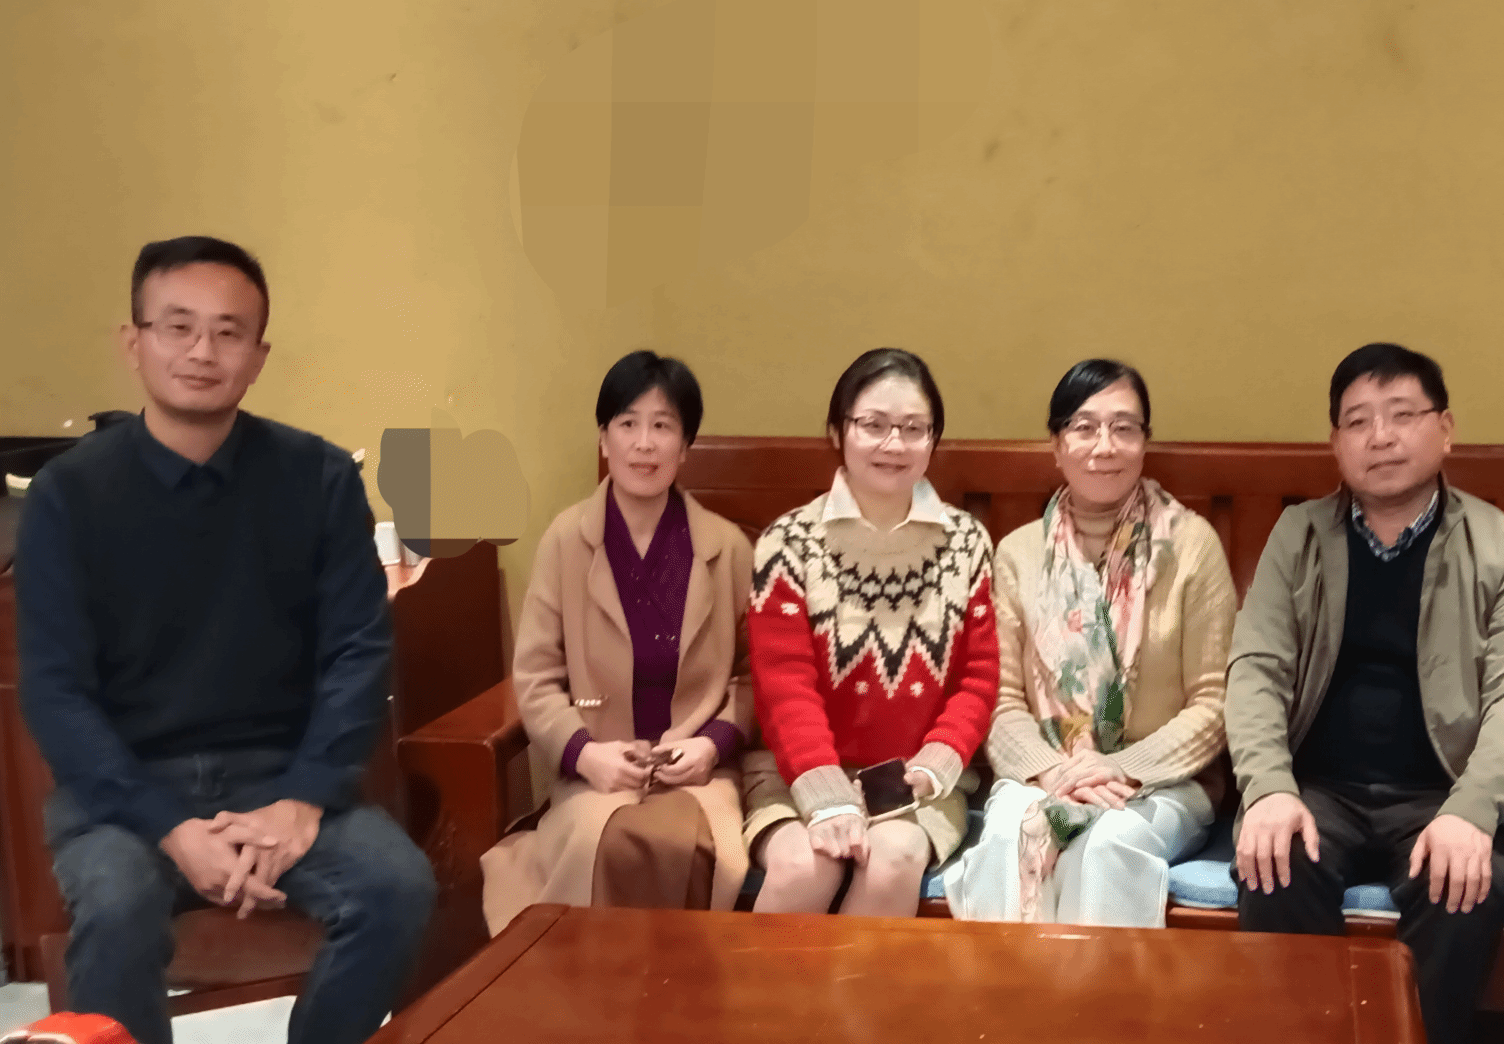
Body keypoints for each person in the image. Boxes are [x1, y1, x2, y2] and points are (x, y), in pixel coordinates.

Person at [13, 236, 435, 1044]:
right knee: (117, 903)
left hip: (281, 774)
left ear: (259, 355)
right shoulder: (69, 494)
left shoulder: (319, 478)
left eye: (229, 331)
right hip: (124, 791)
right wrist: (172, 827)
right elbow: (55, 692)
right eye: (178, 326)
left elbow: (357, 653)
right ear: (133, 342)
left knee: (397, 886)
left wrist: (301, 800)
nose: (202, 351)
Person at [1226, 343, 1504, 1044]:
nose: (1381, 436)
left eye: (1402, 414)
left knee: (1464, 890)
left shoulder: (1499, 543)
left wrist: (1473, 809)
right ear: (1336, 444)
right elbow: (1255, 669)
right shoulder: (1298, 535)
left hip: (1444, 788)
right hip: (1320, 789)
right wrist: (1269, 789)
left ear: (1445, 429)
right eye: (1359, 421)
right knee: (1274, 868)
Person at [944, 360, 1233, 927]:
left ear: (1144, 442)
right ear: (1057, 445)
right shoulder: (1019, 554)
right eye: (1084, 427)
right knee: (1007, 836)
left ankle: (1102, 990)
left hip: (1161, 781)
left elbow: (1215, 701)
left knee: (1104, 846)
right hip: (1044, 773)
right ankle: (1003, 988)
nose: (1105, 445)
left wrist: (1120, 768)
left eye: (1124, 428)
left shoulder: (1191, 547)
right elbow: (1000, 699)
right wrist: (1054, 772)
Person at [479, 351, 754, 933]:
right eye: (628, 423)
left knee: (690, 845)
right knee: (604, 841)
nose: (644, 444)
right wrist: (584, 753)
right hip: (597, 769)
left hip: (695, 771)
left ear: (685, 446)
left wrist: (712, 745)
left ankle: (675, 986)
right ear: (604, 439)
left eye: (663, 426)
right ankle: (600, 987)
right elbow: (535, 677)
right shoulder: (565, 540)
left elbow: (755, 676)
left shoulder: (727, 547)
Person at [744, 348, 998, 916]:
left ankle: (859, 986)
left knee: (893, 858)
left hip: (919, 783)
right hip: (796, 771)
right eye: (874, 425)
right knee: (804, 865)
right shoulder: (788, 543)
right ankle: (764, 984)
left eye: (913, 428)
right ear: (839, 432)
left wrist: (935, 764)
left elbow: (979, 678)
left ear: (933, 439)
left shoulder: (967, 543)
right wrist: (825, 793)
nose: (893, 444)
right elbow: (784, 685)